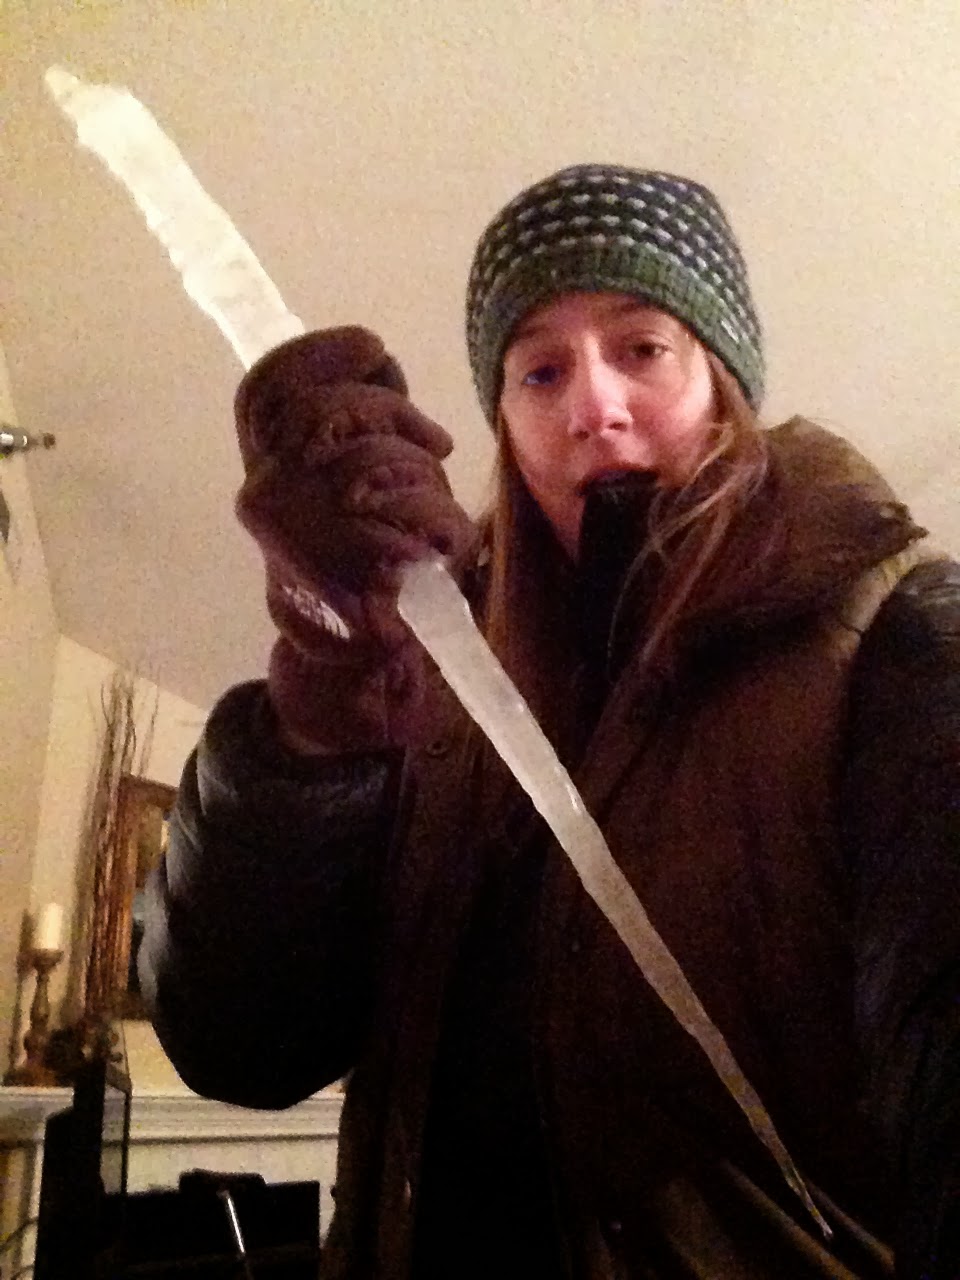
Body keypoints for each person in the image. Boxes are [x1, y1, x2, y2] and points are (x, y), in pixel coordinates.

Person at [140, 164, 959, 1279]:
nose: (593, 406)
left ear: (723, 378)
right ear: (506, 422)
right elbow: (241, 1044)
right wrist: (324, 703)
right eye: (540, 369)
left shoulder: (893, 639)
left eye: (642, 348)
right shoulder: (425, 677)